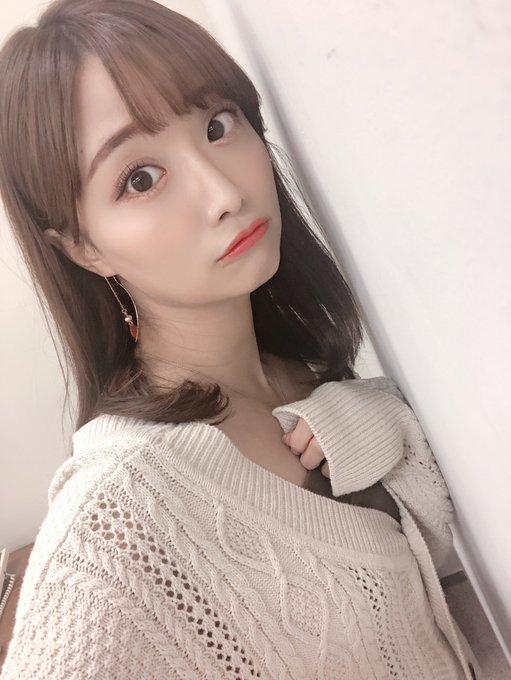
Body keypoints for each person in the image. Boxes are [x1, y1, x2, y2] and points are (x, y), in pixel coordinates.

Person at [0, 1, 481, 678]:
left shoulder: (305, 373)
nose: (223, 190)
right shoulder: (117, 512)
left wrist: (381, 417)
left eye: (217, 125)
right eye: (140, 178)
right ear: (83, 247)